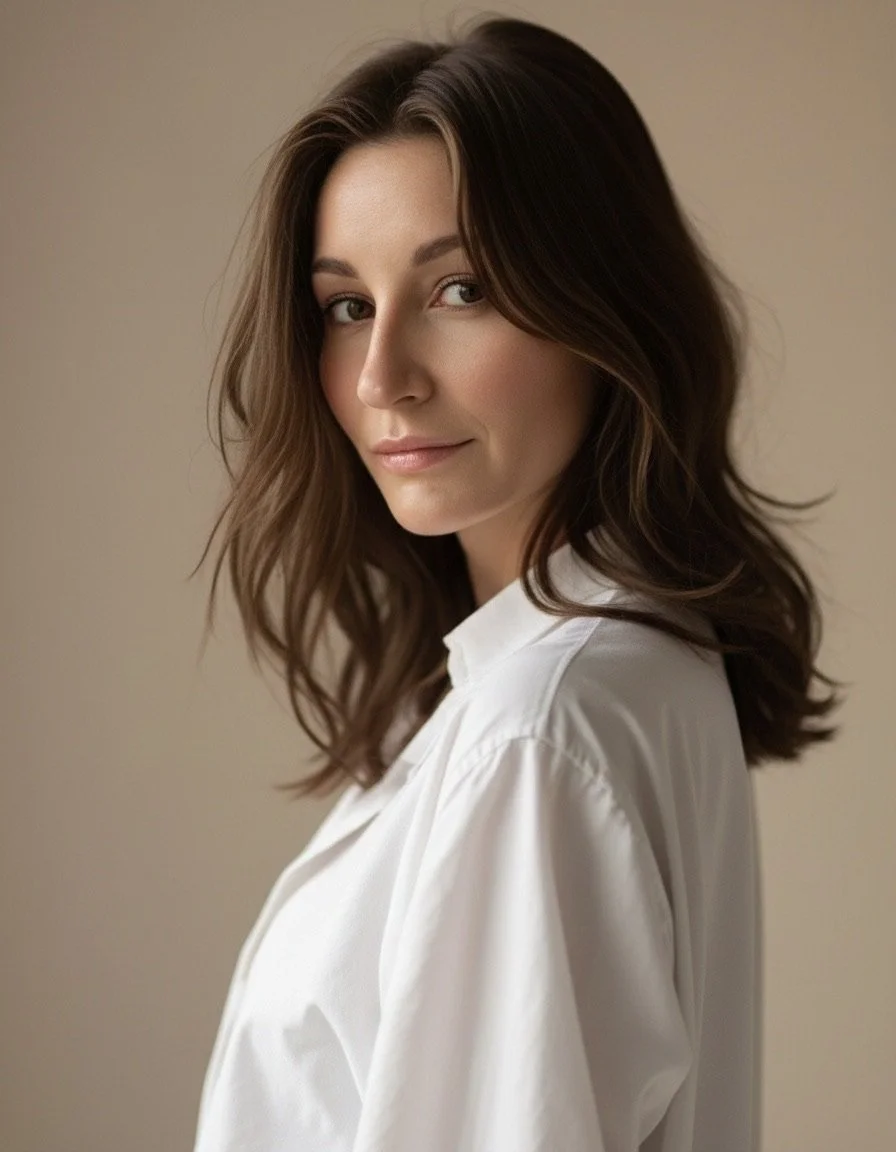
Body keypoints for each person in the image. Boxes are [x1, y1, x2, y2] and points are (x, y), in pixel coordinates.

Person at [189, 14, 845, 1152]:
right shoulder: (625, 672)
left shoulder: (539, 729)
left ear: (602, 310)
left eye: (459, 290)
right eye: (347, 307)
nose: (382, 377)